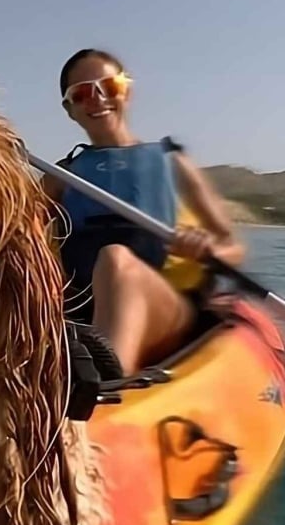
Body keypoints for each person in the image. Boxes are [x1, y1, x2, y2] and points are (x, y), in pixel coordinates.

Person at [46, 48, 245, 375]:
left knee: (115, 259)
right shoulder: (60, 178)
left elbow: (233, 248)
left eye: (108, 87)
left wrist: (207, 250)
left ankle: (106, 382)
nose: (97, 99)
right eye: (81, 94)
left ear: (127, 91)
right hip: (83, 314)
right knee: (111, 261)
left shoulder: (173, 164)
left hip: (167, 314)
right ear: (70, 109)